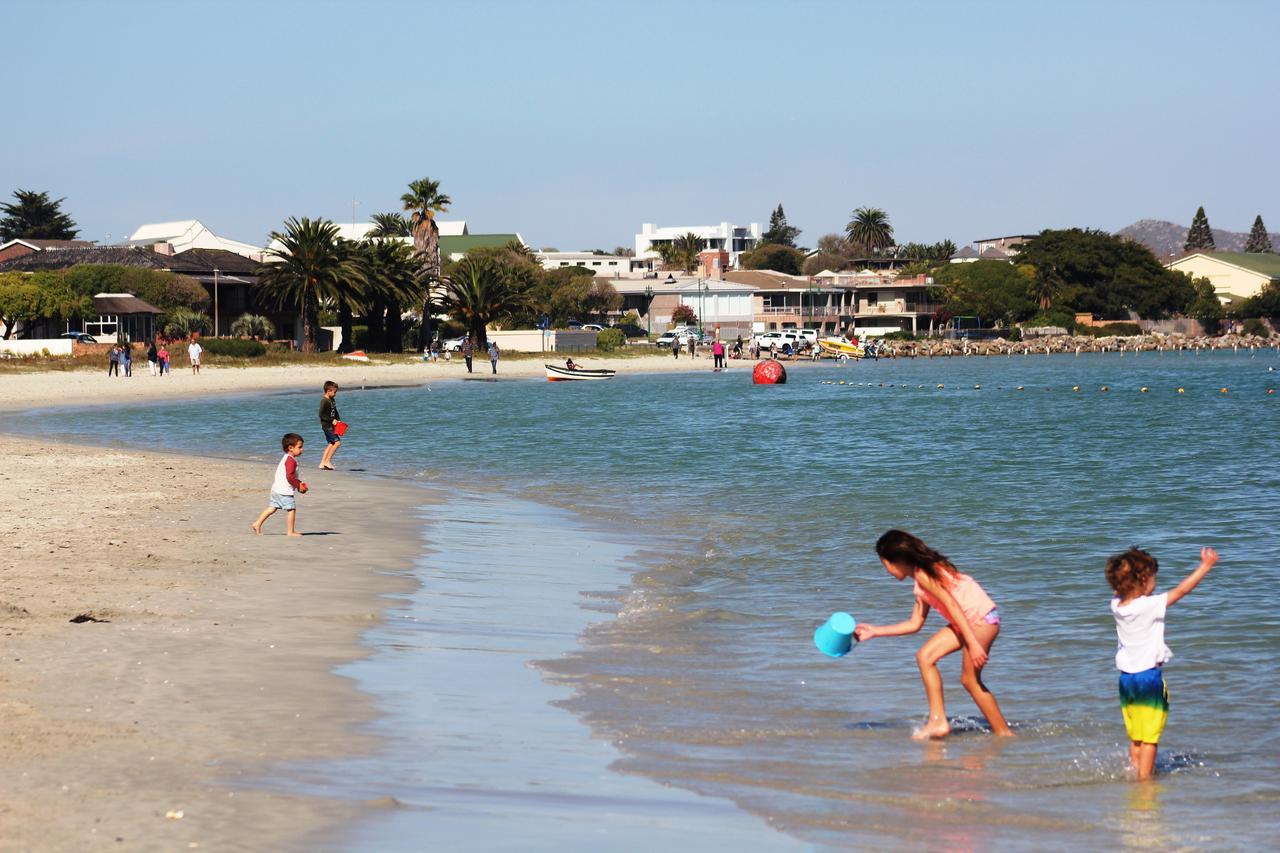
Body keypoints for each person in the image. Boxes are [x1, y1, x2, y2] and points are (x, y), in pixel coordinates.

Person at [854, 529, 1014, 739]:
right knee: (925, 657)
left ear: (898, 560)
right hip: (967, 622)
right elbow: (915, 623)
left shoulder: (925, 575)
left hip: (979, 620)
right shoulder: (921, 580)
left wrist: (973, 643)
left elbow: (952, 605)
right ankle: (937, 722)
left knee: (970, 681)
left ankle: (1004, 734)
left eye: (886, 565)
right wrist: (875, 631)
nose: (888, 572)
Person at [1105, 545, 1219, 780]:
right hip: (1148, 678)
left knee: (1137, 735)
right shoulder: (1148, 605)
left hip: (1126, 679)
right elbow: (1181, 591)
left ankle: (1134, 770)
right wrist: (1205, 566)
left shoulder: (1116, 605)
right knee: (1151, 738)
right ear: (1143, 579)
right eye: (1153, 576)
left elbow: (1120, 591)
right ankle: (1144, 781)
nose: (1156, 582)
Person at [251, 433, 306, 537]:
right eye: (300, 447)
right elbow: (289, 477)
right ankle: (290, 531)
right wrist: (298, 486)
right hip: (284, 491)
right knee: (291, 509)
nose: (302, 449)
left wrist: (299, 483)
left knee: (272, 508)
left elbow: (289, 476)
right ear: (291, 448)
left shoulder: (286, 458)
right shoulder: (291, 461)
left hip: (276, 489)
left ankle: (257, 523)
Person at [318, 380, 342, 470]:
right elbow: (321, 414)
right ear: (328, 391)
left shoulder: (332, 400)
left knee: (331, 443)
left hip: (332, 425)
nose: (335, 394)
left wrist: (338, 421)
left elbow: (335, 412)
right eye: (334, 392)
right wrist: (332, 420)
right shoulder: (324, 401)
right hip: (326, 425)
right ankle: (327, 462)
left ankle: (322, 463)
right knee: (337, 442)